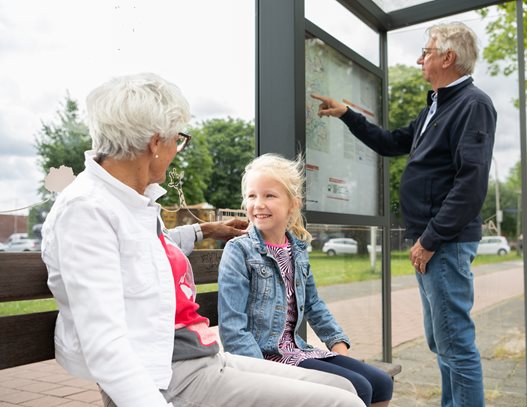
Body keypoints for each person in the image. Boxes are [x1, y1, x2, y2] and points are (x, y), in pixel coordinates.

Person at [41, 73, 365, 407]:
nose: (176, 151)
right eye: (177, 140)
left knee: (347, 390)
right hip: (170, 377)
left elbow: (148, 254)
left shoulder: (131, 201)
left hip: (203, 357)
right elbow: (104, 345)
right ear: (155, 142)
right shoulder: (87, 210)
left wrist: (209, 230)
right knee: (346, 405)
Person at [312, 22, 496, 407]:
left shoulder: (472, 104)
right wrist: (348, 114)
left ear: (448, 58)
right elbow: (392, 141)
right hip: (431, 241)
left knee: (456, 344)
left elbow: (471, 183)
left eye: (426, 52)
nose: (419, 59)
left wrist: (429, 240)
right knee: (441, 339)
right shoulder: (437, 103)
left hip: (442, 242)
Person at [218, 153, 393, 407]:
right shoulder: (240, 251)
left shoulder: (296, 250)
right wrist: (261, 375)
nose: (258, 204)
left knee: (381, 382)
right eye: (252, 195)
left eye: (269, 195)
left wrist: (336, 340)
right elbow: (233, 327)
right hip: (265, 358)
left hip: (296, 351)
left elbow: (313, 303)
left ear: (292, 204)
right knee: (356, 389)